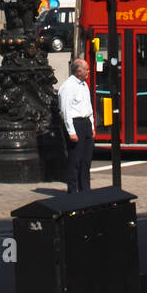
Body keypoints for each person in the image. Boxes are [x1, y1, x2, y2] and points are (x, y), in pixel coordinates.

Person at [58, 58, 95, 194]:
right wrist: (71, 131)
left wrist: (92, 126)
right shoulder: (68, 86)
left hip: (85, 123)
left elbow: (88, 106)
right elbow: (66, 110)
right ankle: (73, 191)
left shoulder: (84, 85)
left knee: (86, 160)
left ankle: (85, 189)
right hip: (75, 124)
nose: (89, 72)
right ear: (79, 71)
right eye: (86, 69)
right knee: (75, 160)